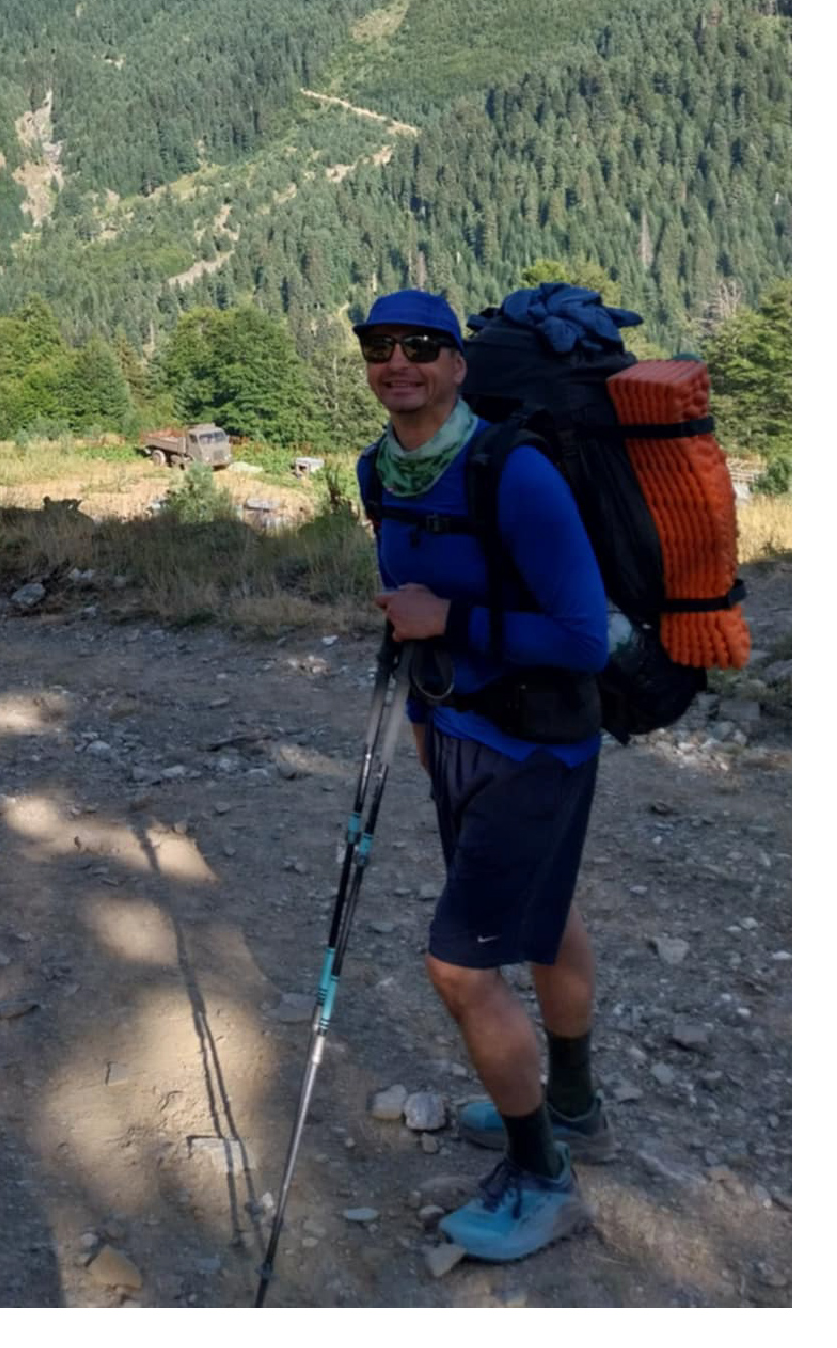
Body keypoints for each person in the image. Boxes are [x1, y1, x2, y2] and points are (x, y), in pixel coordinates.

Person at [354, 287, 614, 1265]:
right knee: (545, 919)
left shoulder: (515, 473)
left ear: (457, 365)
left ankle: (542, 1179)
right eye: (379, 347)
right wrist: (425, 715)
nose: (397, 362)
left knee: (459, 966)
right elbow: (401, 600)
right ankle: (576, 1109)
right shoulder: (378, 472)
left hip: (537, 745)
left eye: (420, 346)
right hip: (454, 734)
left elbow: (582, 639)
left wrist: (447, 625)